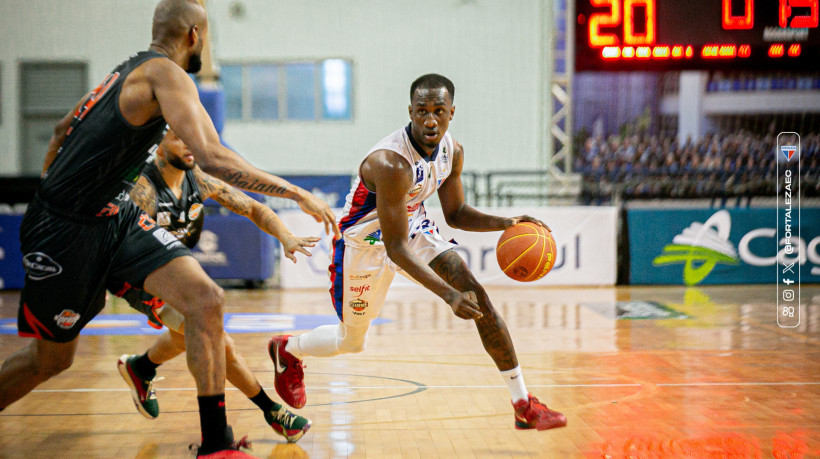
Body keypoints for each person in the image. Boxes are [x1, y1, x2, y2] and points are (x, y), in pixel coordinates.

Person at [0, 1, 338, 457]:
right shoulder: (167, 75)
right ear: (195, 37)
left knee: (206, 301)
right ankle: (148, 371)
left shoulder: (122, 72)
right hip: (66, 232)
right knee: (52, 361)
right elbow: (216, 154)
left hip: (111, 218)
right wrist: (296, 193)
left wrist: (59, 186)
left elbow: (61, 131)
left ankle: (216, 444)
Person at [268, 74, 567, 431]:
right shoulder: (392, 163)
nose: (430, 119)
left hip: (412, 226)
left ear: (451, 113)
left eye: (438, 111)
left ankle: (523, 404)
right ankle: (289, 350)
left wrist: (508, 223)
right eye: (422, 111)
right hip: (364, 244)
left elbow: (455, 214)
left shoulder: (452, 151)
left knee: (479, 300)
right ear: (410, 111)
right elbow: (395, 250)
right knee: (351, 342)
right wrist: (448, 296)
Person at [116, 128, 316, 443]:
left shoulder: (199, 179)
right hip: (141, 278)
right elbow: (120, 246)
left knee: (187, 337)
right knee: (216, 340)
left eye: (191, 136)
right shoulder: (144, 190)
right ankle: (272, 412)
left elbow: (253, 207)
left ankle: (141, 368)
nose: (189, 143)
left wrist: (285, 236)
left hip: (172, 272)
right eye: (178, 136)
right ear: (158, 144)